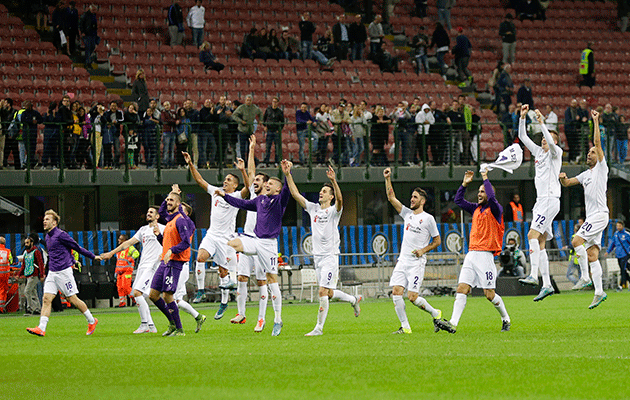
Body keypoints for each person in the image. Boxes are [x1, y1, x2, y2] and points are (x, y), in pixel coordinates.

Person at [285, 162, 361, 336]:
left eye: (325, 191)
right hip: (317, 258)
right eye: (321, 190)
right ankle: (352, 299)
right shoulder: (313, 209)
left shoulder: (335, 211)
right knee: (328, 292)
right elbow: (295, 194)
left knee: (321, 291)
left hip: (330, 257)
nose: (321, 192)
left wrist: (334, 181)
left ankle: (319, 328)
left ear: (331, 197)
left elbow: (341, 200)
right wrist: (288, 174)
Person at [218, 162, 292, 336]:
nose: (267, 185)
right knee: (232, 243)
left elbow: (288, 189)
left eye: (271, 184)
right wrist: (224, 196)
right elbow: (241, 203)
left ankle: (277, 319)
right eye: (267, 183)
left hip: (269, 245)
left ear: (277, 189)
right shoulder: (260, 200)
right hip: (256, 240)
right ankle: (230, 279)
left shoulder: (280, 200)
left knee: (271, 281)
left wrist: (287, 174)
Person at [435, 169, 511, 334]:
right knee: (462, 288)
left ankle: (506, 319)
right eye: (478, 192)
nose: (479, 194)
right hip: (471, 254)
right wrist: (464, 184)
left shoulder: (496, 209)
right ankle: (453, 323)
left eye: (482, 191)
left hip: (486, 256)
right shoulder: (476, 209)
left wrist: (485, 177)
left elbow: (491, 197)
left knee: (489, 294)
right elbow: (458, 200)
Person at [184, 151, 249, 318]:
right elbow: (199, 180)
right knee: (200, 257)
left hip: (226, 240)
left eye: (229, 180)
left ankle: (224, 303)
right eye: (225, 179)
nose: (225, 181)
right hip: (212, 235)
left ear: (235, 185)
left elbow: (248, 189)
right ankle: (200, 291)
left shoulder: (235, 196)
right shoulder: (215, 191)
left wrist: (242, 171)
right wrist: (191, 163)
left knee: (223, 272)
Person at [559, 109, 609, 309]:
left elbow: (597, 143)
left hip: (599, 215)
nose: (590, 154)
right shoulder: (585, 174)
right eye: (588, 152)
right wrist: (562, 179)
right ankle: (599, 292)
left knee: (576, 240)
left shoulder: (601, 168)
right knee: (592, 255)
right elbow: (569, 183)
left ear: (599, 156)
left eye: (592, 152)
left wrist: (595, 121)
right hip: (594, 217)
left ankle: (585, 277)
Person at [383, 168, 442, 334]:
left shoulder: (428, 219)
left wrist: (423, 250)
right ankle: (405, 327)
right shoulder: (407, 214)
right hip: (403, 261)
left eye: (415, 197)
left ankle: (435, 313)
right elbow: (391, 198)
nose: (412, 199)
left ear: (422, 201)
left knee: (413, 297)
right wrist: (387, 178)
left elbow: (437, 241)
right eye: (412, 196)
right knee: (396, 291)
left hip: (416, 263)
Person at [27, 210, 101, 336]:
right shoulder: (47, 236)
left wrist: (93, 257)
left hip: (64, 272)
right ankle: (41, 328)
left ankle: (92, 320)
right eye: (44, 219)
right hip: (52, 272)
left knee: (72, 299)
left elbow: (76, 247)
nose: (44, 221)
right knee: (46, 299)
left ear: (54, 222)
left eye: (47, 219)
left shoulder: (61, 235)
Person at [516, 106, 563, 302]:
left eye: (548, 137)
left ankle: (533, 275)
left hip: (550, 199)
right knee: (541, 243)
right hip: (540, 202)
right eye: (543, 137)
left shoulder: (556, 152)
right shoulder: (538, 153)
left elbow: (551, 142)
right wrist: (522, 117)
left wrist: (543, 123)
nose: (544, 139)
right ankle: (547, 285)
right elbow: (523, 137)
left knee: (531, 235)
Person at [100, 206, 165, 334]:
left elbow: (170, 244)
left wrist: (162, 256)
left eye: (151, 212)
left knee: (137, 293)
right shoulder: (143, 230)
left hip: (153, 267)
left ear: (157, 216)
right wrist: (111, 253)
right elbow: (127, 243)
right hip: (142, 266)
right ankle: (150, 326)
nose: (148, 214)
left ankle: (145, 324)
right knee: (136, 294)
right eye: (147, 212)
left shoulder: (163, 229)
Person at [230, 137, 272, 329]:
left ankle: (261, 318)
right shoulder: (254, 195)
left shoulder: (271, 199)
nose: (254, 181)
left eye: (258, 180)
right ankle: (241, 313)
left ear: (266, 184)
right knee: (242, 278)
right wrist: (251, 149)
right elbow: (251, 170)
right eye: (254, 180)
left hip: (261, 242)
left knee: (262, 280)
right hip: (247, 239)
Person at [149, 187, 195, 336]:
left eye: (171, 200)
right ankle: (172, 323)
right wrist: (159, 237)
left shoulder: (181, 221)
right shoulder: (170, 221)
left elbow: (186, 243)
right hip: (165, 261)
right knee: (153, 295)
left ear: (179, 204)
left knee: (168, 296)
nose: (168, 202)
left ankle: (179, 329)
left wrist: (171, 250)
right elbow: (167, 243)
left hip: (174, 262)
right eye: (167, 200)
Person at [17, 235, 46, 315]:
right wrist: (19, 274)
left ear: (32, 243)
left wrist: (42, 275)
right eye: (25, 243)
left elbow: (40, 263)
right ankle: (37, 309)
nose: (26, 244)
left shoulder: (36, 251)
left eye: (27, 243)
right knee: (33, 293)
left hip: (34, 275)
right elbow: (24, 265)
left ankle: (29, 309)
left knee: (27, 291)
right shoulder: (26, 252)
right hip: (28, 274)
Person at [231, 95, 263, 161]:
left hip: (250, 130)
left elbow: (260, 112)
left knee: (250, 148)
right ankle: (243, 161)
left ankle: (249, 162)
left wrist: (261, 120)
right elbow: (234, 115)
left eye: (250, 100)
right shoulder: (241, 107)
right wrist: (240, 121)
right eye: (247, 100)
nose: (248, 101)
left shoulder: (254, 107)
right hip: (242, 130)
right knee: (242, 148)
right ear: (245, 101)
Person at [113, 234, 139, 307]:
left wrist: (131, 259)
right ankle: (122, 303)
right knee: (120, 287)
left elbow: (136, 253)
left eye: (120, 239)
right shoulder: (119, 249)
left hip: (127, 271)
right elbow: (118, 261)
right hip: (119, 271)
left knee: (126, 287)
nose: (118, 240)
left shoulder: (129, 247)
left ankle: (135, 300)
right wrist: (116, 271)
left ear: (124, 240)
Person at [262, 97, 285, 167]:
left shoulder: (280, 112)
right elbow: (264, 119)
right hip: (269, 131)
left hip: (276, 131)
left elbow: (282, 122)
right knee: (268, 147)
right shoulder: (268, 110)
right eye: (273, 102)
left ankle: (276, 162)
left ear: (278, 103)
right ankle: (266, 162)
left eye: (276, 102)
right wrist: (265, 126)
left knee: (277, 147)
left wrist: (279, 129)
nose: (274, 103)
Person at [606, 221, 630, 290]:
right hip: (618, 255)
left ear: (622, 226)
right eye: (617, 226)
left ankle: (620, 286)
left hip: (625, 255)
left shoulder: (627, 234)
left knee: (623, 270)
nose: (618, 227)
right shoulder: (616, 234)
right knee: (623, 270)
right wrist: (608, 251)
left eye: (619, 226)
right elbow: (612, 244)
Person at [78, 4, 98, 69]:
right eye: (93, 10)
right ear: (90, 9)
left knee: (92, 47)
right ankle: (87, 63)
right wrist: (82, 32)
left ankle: (88, 60)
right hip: (86, 34)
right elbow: (81, 23)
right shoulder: (85, 15)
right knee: (88, 48)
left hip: (92, 34)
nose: (94, 11)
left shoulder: (94, 15)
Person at [0, 236, 14, 313]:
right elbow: (11, 261)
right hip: (4, 274)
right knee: (3, 290)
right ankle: (1, 308)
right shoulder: (7, 251)